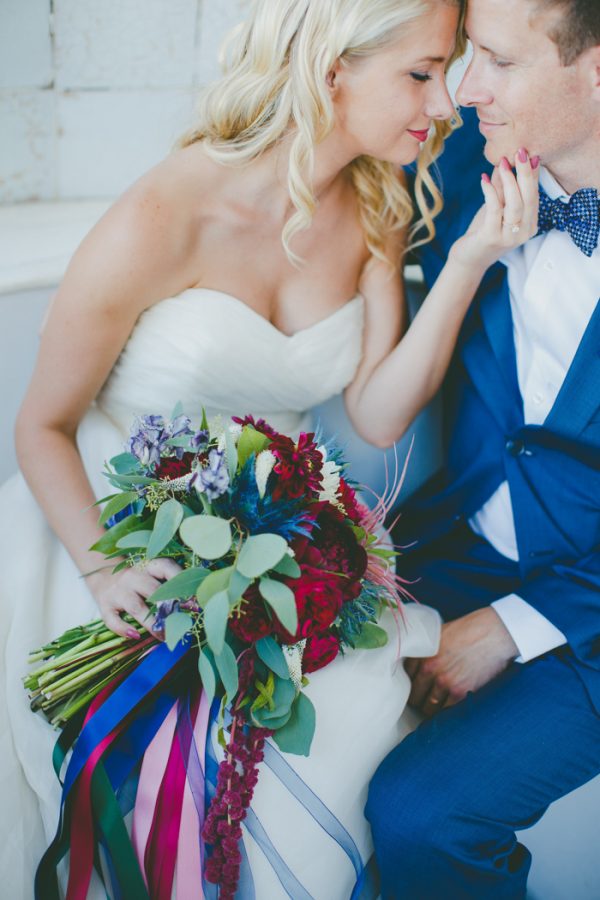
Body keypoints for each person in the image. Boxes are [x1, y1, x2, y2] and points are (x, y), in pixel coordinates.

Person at [0, 0, 539, 896]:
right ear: (334, 71)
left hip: (276, 540)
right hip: (106, 530)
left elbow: (374, 414)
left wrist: (472, 257)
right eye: (420, 72)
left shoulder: (378, 201)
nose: (444, 103)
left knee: (352, 726)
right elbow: (40, 424)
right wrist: (102, 572)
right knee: (151, 764)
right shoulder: (166, 211)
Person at [366, 0, 600, 897]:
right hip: (453, 540)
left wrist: (509, 628)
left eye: (497, 62)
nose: (465, 90)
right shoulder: (462, 159)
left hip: (586, 606)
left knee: (425, 813)